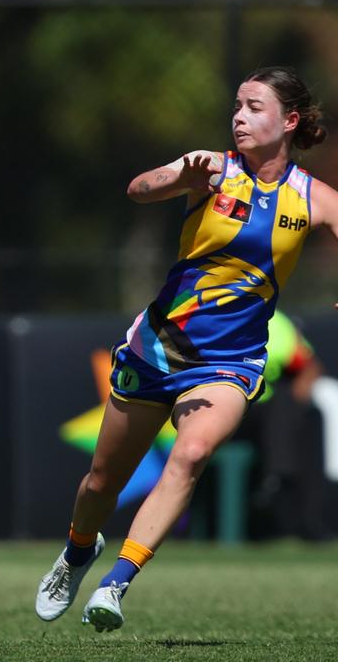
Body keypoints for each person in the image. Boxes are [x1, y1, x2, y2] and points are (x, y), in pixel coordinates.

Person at [34, 66, 332, 633]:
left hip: (232, 361)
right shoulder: (214, 169)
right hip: (157, 347)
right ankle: (76, 553)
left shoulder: (313, 198)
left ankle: (116, 584)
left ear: (289, 121)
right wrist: (178, 179)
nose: (239, 117)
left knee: (191, 454)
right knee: (101, 482)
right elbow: (139, 189)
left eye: (254, 107)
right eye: (237, 106)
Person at [245, 311, 329, 540]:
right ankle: (276, 477)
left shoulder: (275, 322)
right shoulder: (203, 314)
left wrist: (298, 397)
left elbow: (309, 366)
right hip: (217, 408)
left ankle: (280, 481)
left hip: (261, 406)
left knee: (297, 409)